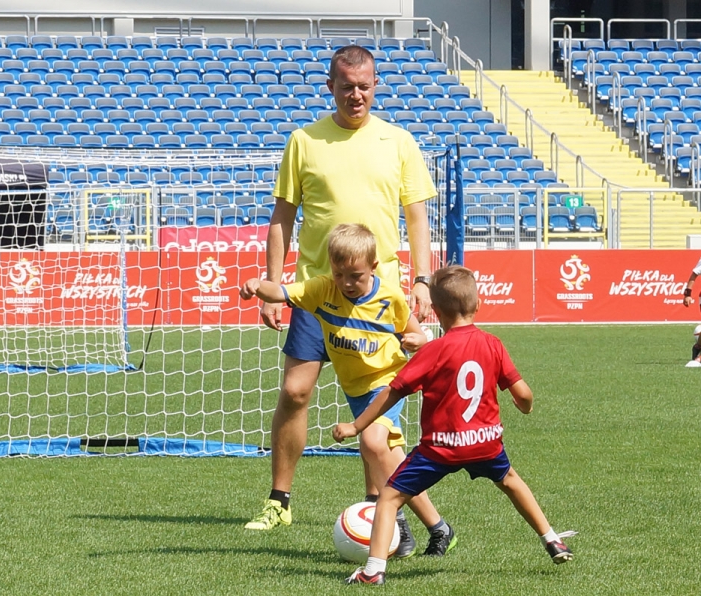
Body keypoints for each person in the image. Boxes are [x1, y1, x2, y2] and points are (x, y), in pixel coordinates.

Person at [245, 43, 437, 554]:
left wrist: (422, 280)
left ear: (376, 86)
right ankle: (278, 500)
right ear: (330, 86)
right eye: (346, 85)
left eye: (365, 85)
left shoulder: (398, 142)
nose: (356, 94)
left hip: (378, 298)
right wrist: (272, 287)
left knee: (373, 410)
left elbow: (417, 217)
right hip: (316, 294)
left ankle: (381, 510)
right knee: (297, 389)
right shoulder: (304, 141)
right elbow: (282, 218)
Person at [333, 266, 574, 585]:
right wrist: (524, 405)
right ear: (478, 305)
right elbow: (523, 393)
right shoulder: (492, 344)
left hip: (441, 448)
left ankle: (373, 570)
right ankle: (551, 539)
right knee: (511, 481)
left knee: (389, 496)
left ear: (435, 311)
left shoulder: (433, 351)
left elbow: (393, 391)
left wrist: (356, 426)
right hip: (485, 443)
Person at [241, 224, 455, 557]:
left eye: (355, 275)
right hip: (355, 390)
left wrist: (420, 341)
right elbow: (281, 293)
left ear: (373, 267)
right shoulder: (322, 290)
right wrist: (257, 286)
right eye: (339, 275)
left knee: (372, 443)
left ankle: (400, 520)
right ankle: (438, 528)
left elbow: (417, 334)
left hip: (388, 383)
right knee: (390, 460)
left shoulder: (389, 298)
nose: (347, 283)